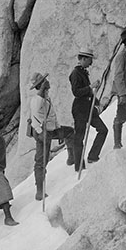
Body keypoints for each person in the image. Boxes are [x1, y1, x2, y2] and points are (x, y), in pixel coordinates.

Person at [29, 72, 75, 200]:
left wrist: (58, 128)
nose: (48, 82)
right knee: (41, 161)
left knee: (69, 132)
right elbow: (35, 119)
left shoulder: (45, 98)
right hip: (44, 133)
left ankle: (71, 158)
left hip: (51, 130)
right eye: (45, 81)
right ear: (42, 84)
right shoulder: (37, 100)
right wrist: (41, 133)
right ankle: (39, 191)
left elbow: (51, 115)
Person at [69, 48, 108, 171]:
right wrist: (90, 86)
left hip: (89, 107)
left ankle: (92, 156)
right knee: (79, 137)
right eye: (90, 60)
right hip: (80, 109)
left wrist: (97, 103)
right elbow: (76, 92)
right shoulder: (75, 73)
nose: (91, 63)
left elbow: (88, 92)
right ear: (84, 59)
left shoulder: (83, 72)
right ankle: (79, 166)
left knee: (103, 130)